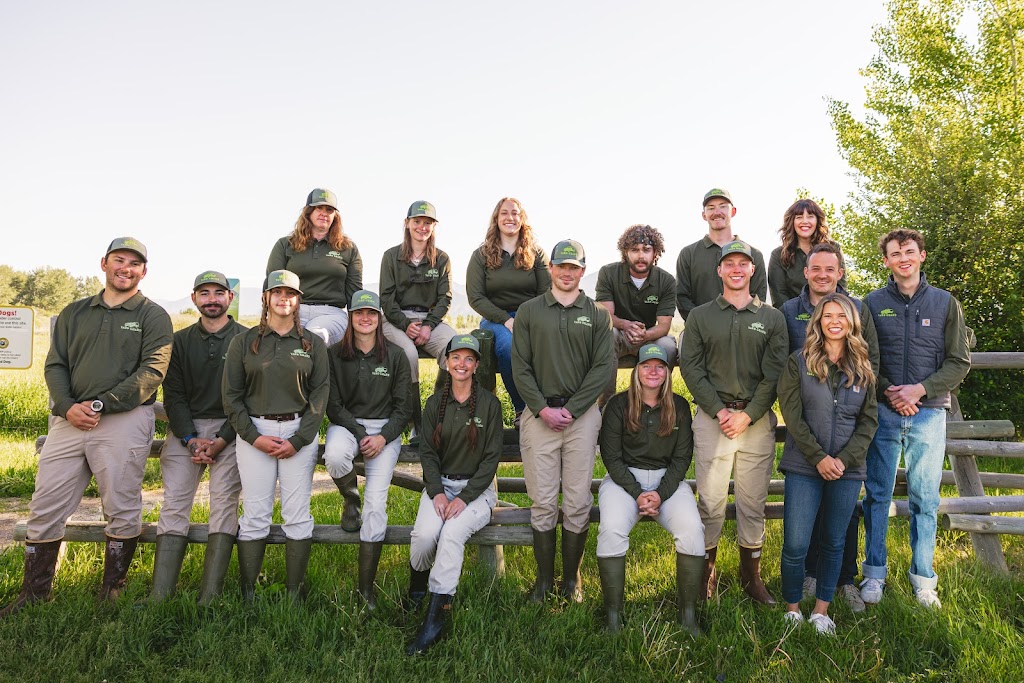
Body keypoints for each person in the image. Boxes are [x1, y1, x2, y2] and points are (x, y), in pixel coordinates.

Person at [1, 238, 172, 616]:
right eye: (119, 260)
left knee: (121, 505)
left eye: (134, 263)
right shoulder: (75, 312)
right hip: (69, 420)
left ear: (144, 272)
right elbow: (55, 365)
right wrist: (66, 407)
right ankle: (35, 593)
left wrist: (99, 405)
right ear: (104, 263)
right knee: (45, 504)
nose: (126, 268)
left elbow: (152, 371)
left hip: (124, 418)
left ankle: (112, 591)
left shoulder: (152, 315)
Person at [860, 229, 970, 608]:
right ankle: (874, 574)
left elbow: (959, 361)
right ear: (886, 261)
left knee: (925, 498)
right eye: (895, 253)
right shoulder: (872, 303)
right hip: (884, 412)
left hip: (929, 414)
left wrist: (919, 390)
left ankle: (924, 580)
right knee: (877, 495)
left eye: (909, 251)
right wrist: (891, 391)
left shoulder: (945, 303)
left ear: (922, 255)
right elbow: (864, 359)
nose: (903, 258)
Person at [679, 240, 788, 604]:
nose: (737, 269)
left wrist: (748, 414)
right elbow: (691, 368)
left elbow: (774, 373)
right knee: (710, 502)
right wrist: (720, 411)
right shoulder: (700, 316)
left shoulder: (771, 318)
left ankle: (750, 576)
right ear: (720, 270)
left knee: (752, 502)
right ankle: (706, 574)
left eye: (744, 263)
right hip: (714, 419)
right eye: (730, 264)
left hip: (755, 422)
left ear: (753, 270)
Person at [512, 239, 614, 603]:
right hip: (539, 415)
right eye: (561, 266)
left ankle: (572, 581)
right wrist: (542, 408)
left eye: (574, 267)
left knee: (577, 501)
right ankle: (543, 582)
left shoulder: (597, 314)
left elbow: (602, 367)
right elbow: (520, 366)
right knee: (542, 501)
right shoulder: (529, 311)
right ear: (551, 269)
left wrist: (574, 408)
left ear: (583, 271)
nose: (567, 273)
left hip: (581, 417)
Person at [779, 242, 878, 611]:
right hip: (806, 460)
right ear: (817, 322)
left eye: (841, 316)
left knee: (837, 538)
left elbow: (868, 419)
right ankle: (793, 606)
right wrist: (819, 457)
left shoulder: (862, 369)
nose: (834, 321)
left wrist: (844, 459)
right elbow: (792, 414)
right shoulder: (799, 361)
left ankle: (825, 606)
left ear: (851, 321)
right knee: (796, 541)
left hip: (847, 465)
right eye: (827, 316)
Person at [222, 270, 329, 601]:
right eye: (278, 292)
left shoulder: (312, 344)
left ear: (298, 300)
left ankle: (294, 594)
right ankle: (248, 594)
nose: (284, 298)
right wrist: (253, 437)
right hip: (255, 432)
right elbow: (231, 396)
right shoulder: (244, 342)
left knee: (297, 514)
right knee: (255, 513)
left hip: (298, 432)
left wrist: (299, 440)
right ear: (266, 297)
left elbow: (320, 396)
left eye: (291, 293)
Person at [150, 271, 247, 603]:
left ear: (230, 297)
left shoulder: (246, 339)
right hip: (186, 429)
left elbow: (246, 398)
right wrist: (190, 438)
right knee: (175, 502)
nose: (212, 299)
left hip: (231, 429)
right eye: (204, 293)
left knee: (224, 503)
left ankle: (210, 594)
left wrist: (222, 439)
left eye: (218, 293)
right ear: (194, 299)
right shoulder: (178, 341)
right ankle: (160, 594)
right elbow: (173, 395)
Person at [405, 334, 503, 655]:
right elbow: (428, 454)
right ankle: (417, 591)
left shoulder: (490, 405)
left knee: (451, 535)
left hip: (477, 491)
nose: (462, 364)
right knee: (424, 536)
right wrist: (437, 493)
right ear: (446, 363)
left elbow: (491, 459)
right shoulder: (435, 404)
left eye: (469, 358)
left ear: (476, 365)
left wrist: (464, 497)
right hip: (441, 487)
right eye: (456, 357)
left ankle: (436, 617)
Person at [596, 344, 704, 635]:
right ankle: (613, 618)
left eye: (660, 366)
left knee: (692, 530)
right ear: (637, 370)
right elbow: (611, 458)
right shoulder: (618, 405)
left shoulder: (679, 406)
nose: (653, 371)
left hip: (667, 481)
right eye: (646, 365)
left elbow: (682, 459)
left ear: (667, 372)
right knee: (611, 530)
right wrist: (637, 492)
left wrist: (659, 493)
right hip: (623, 481)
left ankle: (688, 616)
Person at [323, 289, 412, 609]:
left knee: (376, 505)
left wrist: (383, 437)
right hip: (347, 424)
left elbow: (404, 407)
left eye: (371, 313)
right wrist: (359, 432)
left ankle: (366, 591)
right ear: (350, 317)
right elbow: (332, 404)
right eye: (359, 312)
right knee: (335, 456)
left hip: (385, 429)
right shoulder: (334, 354)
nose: (365, 318)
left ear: (379, 317)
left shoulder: (396, 356)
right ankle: (350, 500)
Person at [466, 197, 551, 422]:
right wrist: (506, 320)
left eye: (515, 213)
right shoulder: (481, 255)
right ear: (496, 219)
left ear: (522, 219)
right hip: (495, 319)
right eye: (504, 213)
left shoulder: (536, 253)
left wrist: (526, 319)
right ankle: (523, 409)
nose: (510, 217)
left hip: (532, 317)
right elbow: (476, 297)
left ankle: (553, 404)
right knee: (510, 347)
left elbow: (545, 293)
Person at [380, 201, 458, 434]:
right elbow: (386, 299)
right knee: (409, 354)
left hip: (429, 319)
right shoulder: (391, 256)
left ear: (433, 227)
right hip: (396, 319)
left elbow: (445, 298)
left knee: (455, 348)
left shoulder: (441, 259)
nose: (422, 227)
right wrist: (405, 324)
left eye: (427, 223)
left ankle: (437, 413)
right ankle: (416, 423)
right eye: (417, 221)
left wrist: (428, 325)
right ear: (407, 223)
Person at [267, 188, 362, 347]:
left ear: (335, 216)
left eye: (329, 210)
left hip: (331, 313)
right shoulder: (285, 245)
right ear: (308, 212)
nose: (324, 213)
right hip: (293, 310)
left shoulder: (348, 248)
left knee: (316, 335)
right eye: (319, 208)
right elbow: (272, 286)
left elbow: (354, 293)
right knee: (280, 340)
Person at [595, 224, 677, 403]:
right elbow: (606, 316)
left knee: (668, 345)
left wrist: (645, 334)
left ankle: (654, 403)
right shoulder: (608, 273)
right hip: (619, 333)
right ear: (625, 253)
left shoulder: (666, 280)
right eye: (634, 250)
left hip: (648, 336)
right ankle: (606, 405)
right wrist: (626, 325)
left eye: (646, 250)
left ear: (655, 253)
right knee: (606, 334)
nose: (640, 256)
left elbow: (664, 325)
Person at [675, 188, 767, 321]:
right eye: (711, 208)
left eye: (723, 206)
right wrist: (701, 325)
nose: (717, 212)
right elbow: (682, 297)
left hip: (744, 328)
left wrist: (739, 326)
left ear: (733, 211)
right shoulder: (688, 254)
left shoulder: (754, 255)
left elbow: (758, 298)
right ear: (704, 215)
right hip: (700, 328)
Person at [768, 199, 847, 307]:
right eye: (799, 217)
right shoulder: (778, 255)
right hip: (793, 315)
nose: (805, 221)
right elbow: (779, 297)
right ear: (792, 221)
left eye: (810, 216)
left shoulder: (833, 249)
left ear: (817, 220)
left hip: (830, 312)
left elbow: (841, 288)